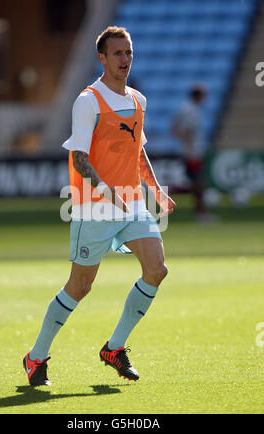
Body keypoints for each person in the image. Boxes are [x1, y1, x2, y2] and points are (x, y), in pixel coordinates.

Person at [23, 26, 176, 386]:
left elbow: (138, 151)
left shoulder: (139, 100)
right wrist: (108, 192)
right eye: (117, 53)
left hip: (132, 203)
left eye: (128, 52)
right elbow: (78, 158)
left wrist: (155, 190)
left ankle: (115, 348)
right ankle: (36, 357)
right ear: (102, 58)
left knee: (157, 270)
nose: (124, 59)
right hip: (95, 206)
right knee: (80, 286)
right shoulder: (88, 100)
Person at [171, 84, 208, 220]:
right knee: (197, 183)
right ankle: (201, 213)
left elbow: (174, 126)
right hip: (192, 153)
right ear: (198, 96)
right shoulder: (190, 111)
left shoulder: (186, 108)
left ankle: (200, 212)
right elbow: (185, 130)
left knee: (195, 182)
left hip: (191, 151)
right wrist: (189, 147)